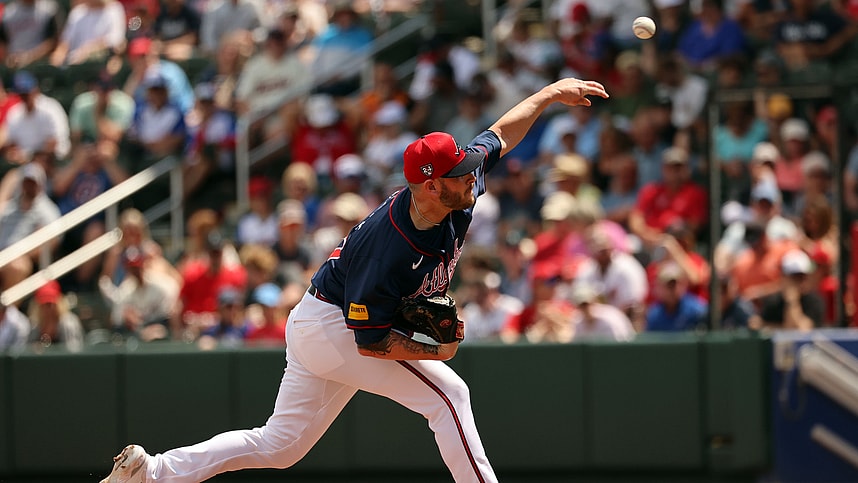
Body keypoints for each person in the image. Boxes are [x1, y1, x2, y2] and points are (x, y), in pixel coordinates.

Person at [99, 76, 609, 483]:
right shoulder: (388, 247)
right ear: (429, 186)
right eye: (458, 173)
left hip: (321, 317)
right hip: (336, 327)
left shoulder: (453, 185)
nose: (471, 176)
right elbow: (370, 342)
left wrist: (549, 94)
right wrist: (436, 352)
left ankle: (154, 473)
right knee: (448, 394)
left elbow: (497, 135)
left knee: (279, 447)